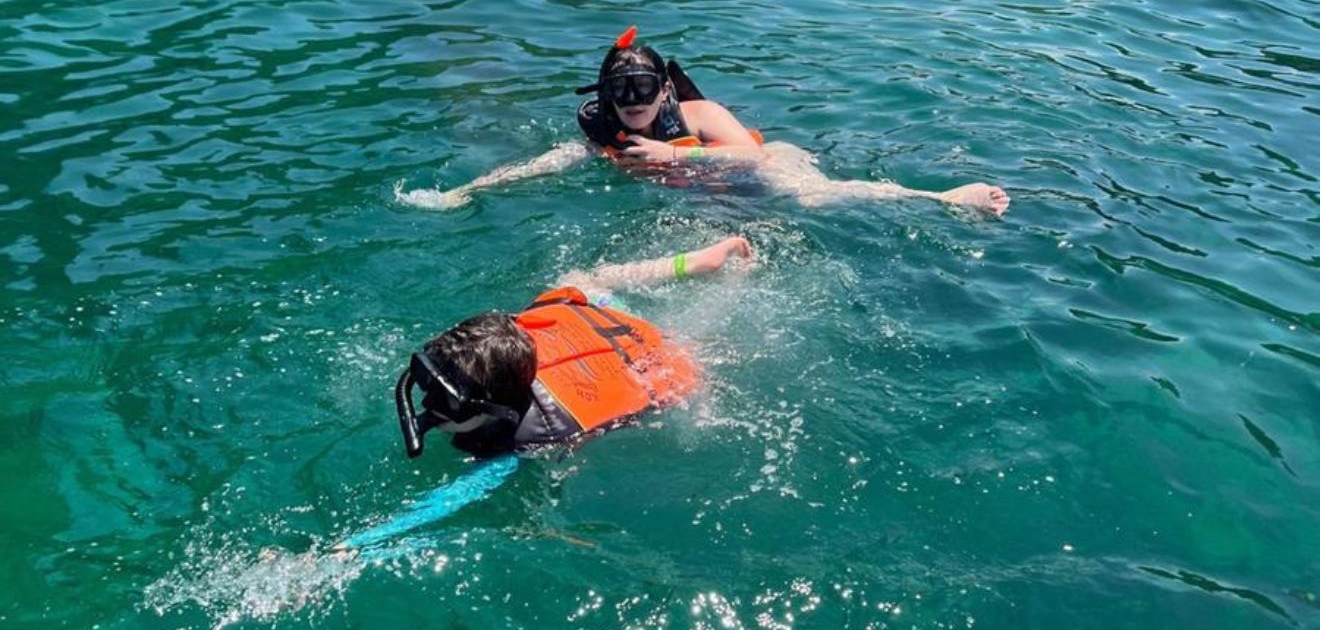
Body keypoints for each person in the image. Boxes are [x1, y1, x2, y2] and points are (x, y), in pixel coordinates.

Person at [398, 26, 1010, 215]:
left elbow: (755, 158)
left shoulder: (700, 114)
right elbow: (550, 162)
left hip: (762, 166)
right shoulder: (608, 134)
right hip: (709, 197)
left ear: (664, 88)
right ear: (605, 96)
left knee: (814, 202)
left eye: (643, 89)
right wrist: (469, 189)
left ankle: (940, 198)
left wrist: (675, 155)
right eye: (620, 91)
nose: (632, 103)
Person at [394, 236, 754, 458]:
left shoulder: (540, 435)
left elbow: (453, 500)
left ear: (495, 410)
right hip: (592, 321)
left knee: (689, 365)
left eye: (448, 402)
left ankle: (703, 265)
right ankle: (693, 262)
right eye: (427, 378)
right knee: (579, 281)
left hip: (643, 355)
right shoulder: (500, 350)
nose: (428, 404)